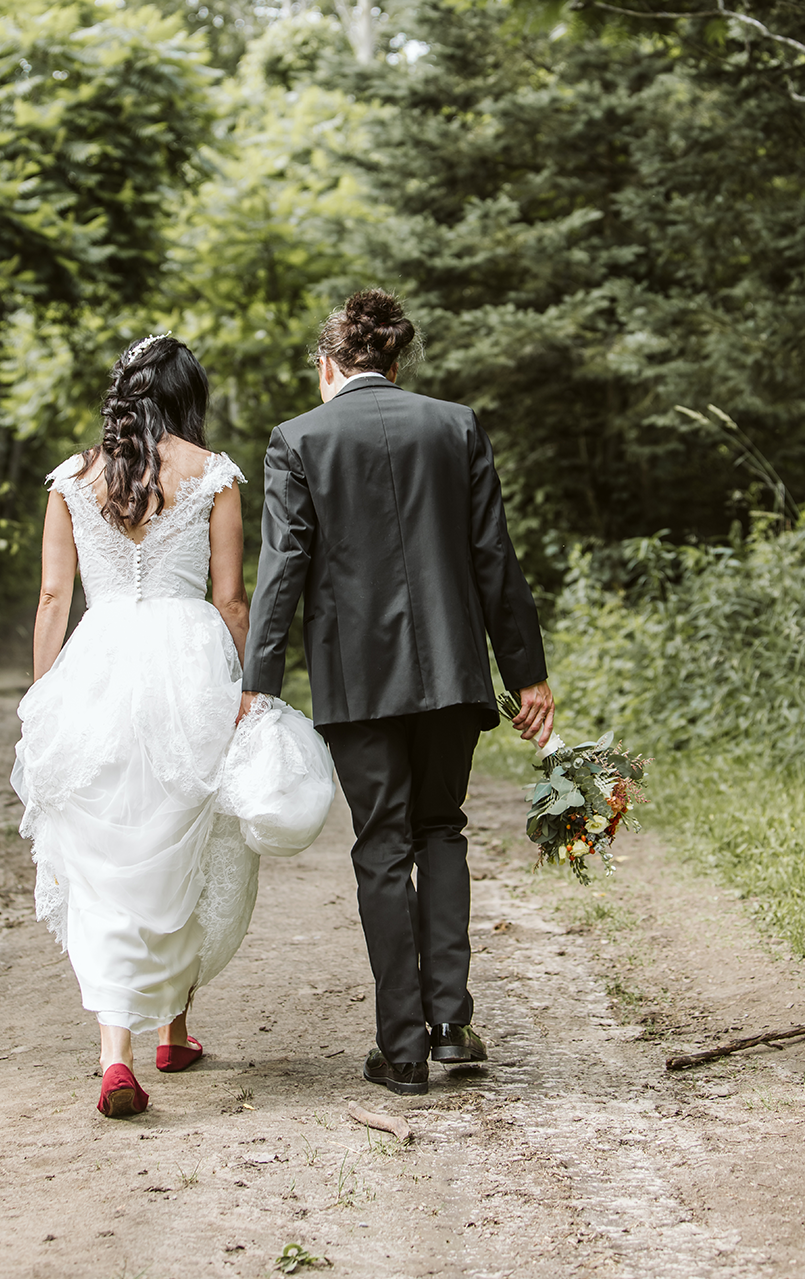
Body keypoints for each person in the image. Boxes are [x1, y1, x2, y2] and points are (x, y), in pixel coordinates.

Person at [239, 290, 554, 1096]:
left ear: (328, 364)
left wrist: (258, 683)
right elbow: (494, 556)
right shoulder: (454, 426)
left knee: (382, 845)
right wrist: (526, 672)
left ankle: (401, 1048)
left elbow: (283, 572)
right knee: (441, 829)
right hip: (453, 675)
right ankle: (451, 1024)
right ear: (396, 360)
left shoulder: (297, 440)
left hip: (359, 681)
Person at [11, 334, 260, 1118]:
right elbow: (229, 599)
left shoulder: (72, 478)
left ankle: (115, 1053)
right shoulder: (214, 475)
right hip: (189, 660)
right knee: (186, 828)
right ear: (188, 395)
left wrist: (42, 693)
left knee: (108, 838)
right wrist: (253, 684)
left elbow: (55, 597)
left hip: (101, 659)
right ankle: (173, 1028)